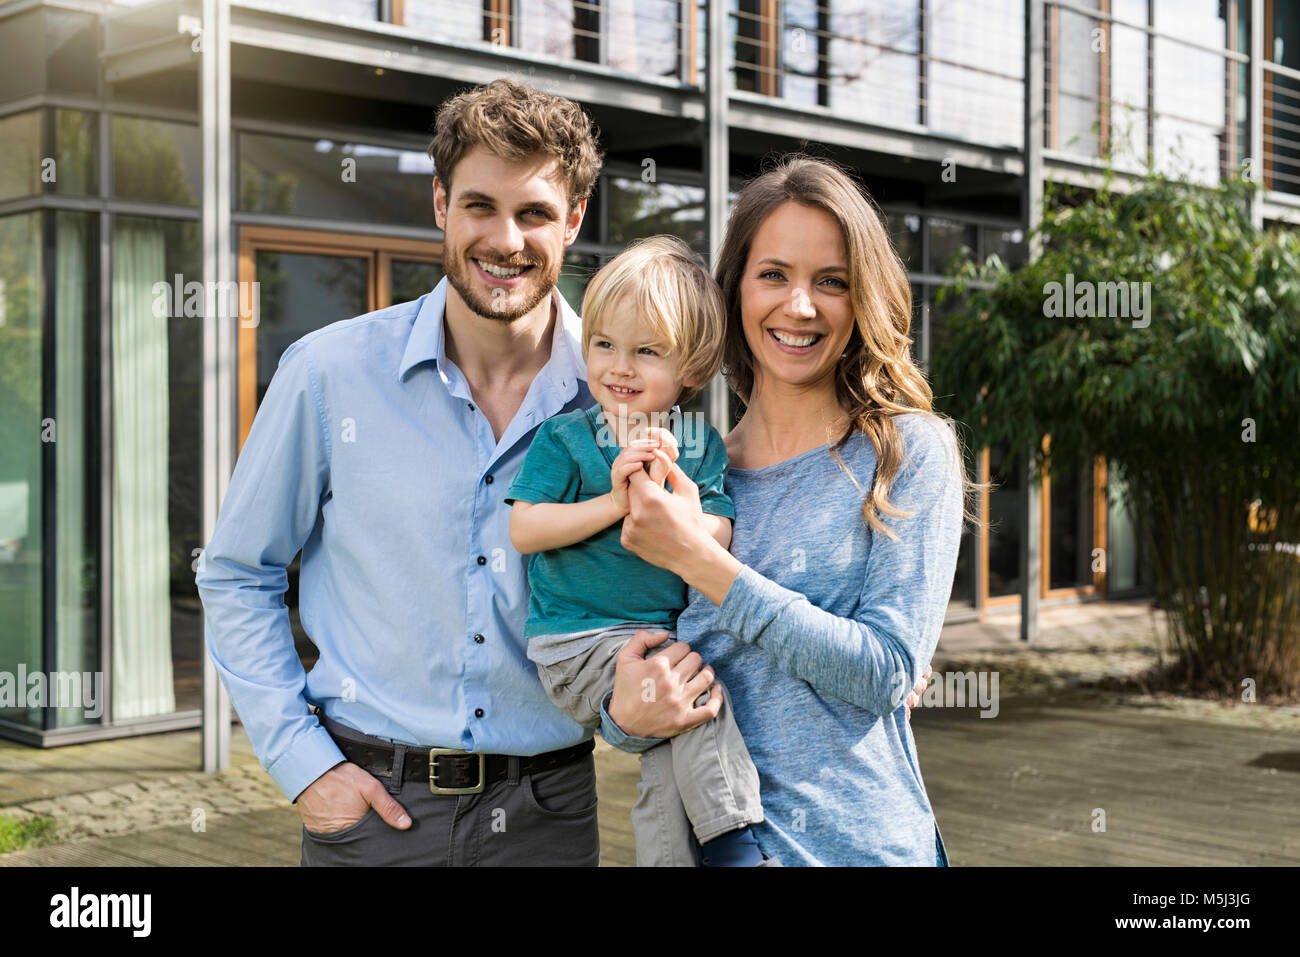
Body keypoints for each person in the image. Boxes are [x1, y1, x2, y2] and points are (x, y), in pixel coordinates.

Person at [195, 78, 724, 866]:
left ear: (574, 220)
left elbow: (700, 583)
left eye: (536, 213)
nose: (505, 239)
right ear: (440, 203)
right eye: (480, 205)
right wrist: (307, 770)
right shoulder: (327, 374)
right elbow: (238, 572)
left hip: (551, 815)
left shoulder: (632, 396)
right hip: (371, 815)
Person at [609, 154, 966, 866]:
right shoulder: (682, 471)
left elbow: (888, 672)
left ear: (861, 297)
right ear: (734, 287)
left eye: (830, 282)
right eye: (773, 274)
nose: (799, 306)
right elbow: (636, 669)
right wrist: (622, 715)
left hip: (861, 847)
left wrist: (704, 563)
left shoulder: (906, 453)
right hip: (708, 847)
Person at [506, 235, 772, 867]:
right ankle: (738, 844)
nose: (619, 367)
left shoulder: (698, 443)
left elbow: (719, 532)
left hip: (648, 637)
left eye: (646, 351)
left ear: (693, 368)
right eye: (604, 345)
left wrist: (679, 517)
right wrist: (617, 503)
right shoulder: (565, 439)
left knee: (669, 748)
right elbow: (526, 529)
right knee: (702, 701)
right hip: (576, 642)